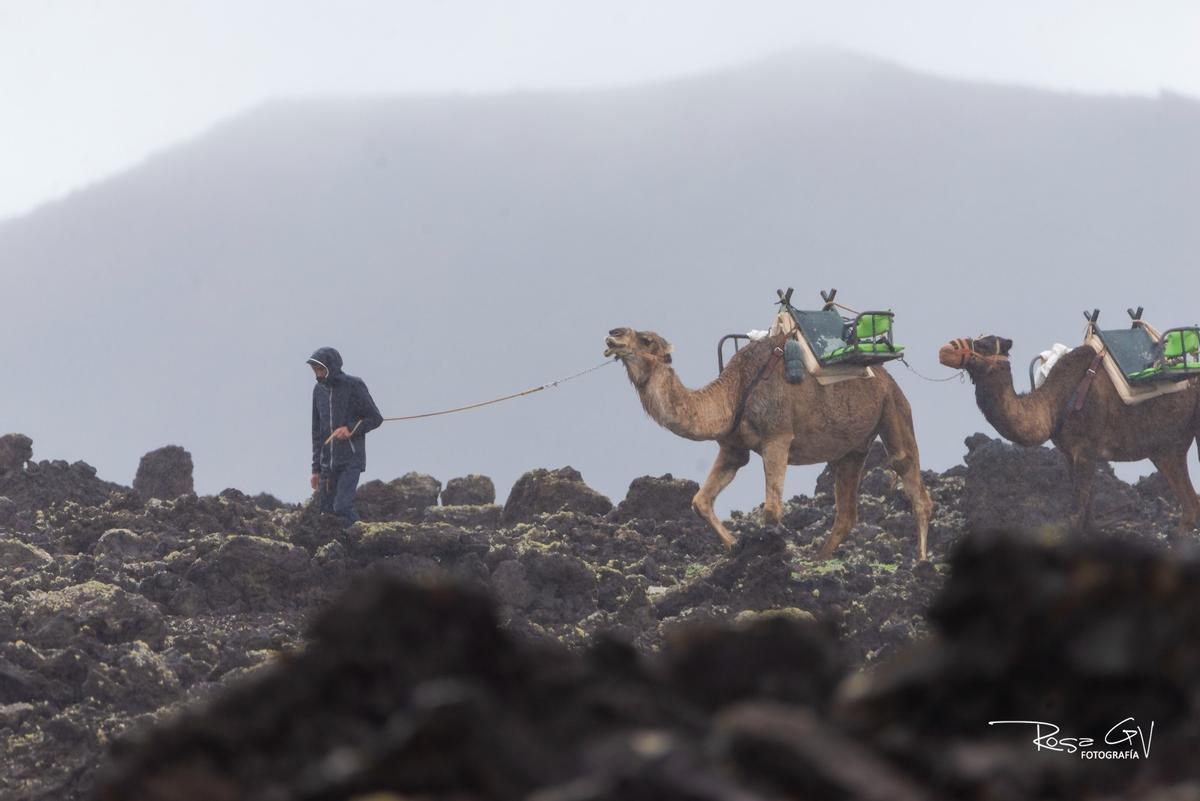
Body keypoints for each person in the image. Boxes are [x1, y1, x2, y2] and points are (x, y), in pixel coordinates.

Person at [307, 347, 383, 524]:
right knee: (326, 513)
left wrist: (350, 429)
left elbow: (375, 418)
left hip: (351, 460)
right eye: (315, 370)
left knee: (342, 507)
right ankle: (338, 548)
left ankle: (360, 539)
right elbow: (316, 432)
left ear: (331, 367)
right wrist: (316, 470)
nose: (317, 375)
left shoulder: (353, 385)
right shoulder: (318, 391)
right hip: (327, 466)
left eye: (320, 370)